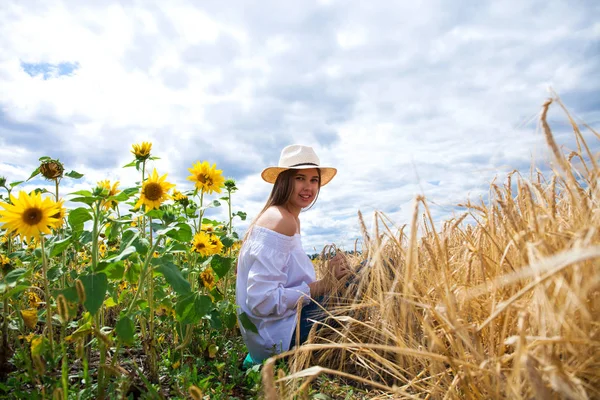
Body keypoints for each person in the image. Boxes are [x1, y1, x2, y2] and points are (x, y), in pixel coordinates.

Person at [236, 144, 350, 366]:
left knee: (360, 274)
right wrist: (324, 285)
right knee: (368, 275)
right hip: (279, 337)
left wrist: (332, 278)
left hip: (277, 330)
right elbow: (262, 301)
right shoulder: (280, 221)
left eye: (314, 180)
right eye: (300, 178)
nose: (308, 187)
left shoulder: (287, 218)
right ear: (284, 180)